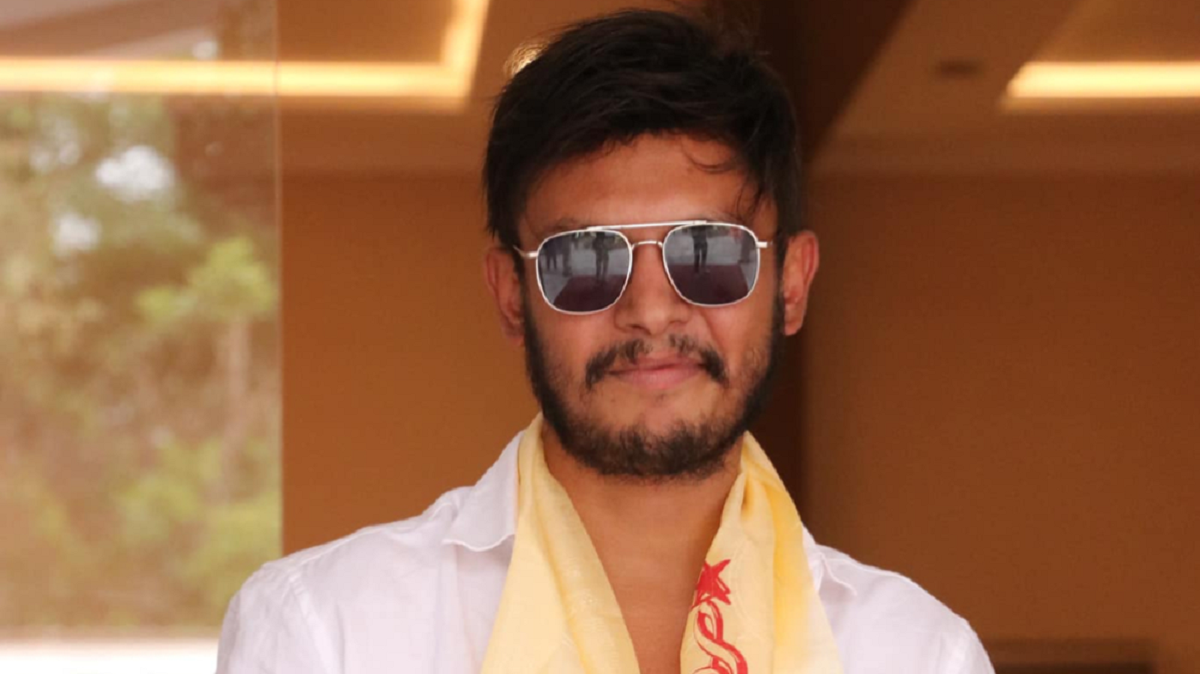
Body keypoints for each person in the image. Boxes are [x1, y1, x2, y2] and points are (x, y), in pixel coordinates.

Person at [216, 7, 994, 674]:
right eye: (586, 260)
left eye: (710, 253)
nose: (651, 312)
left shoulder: (913, 653)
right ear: (511, 294)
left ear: (791, 282)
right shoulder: (332, 632)